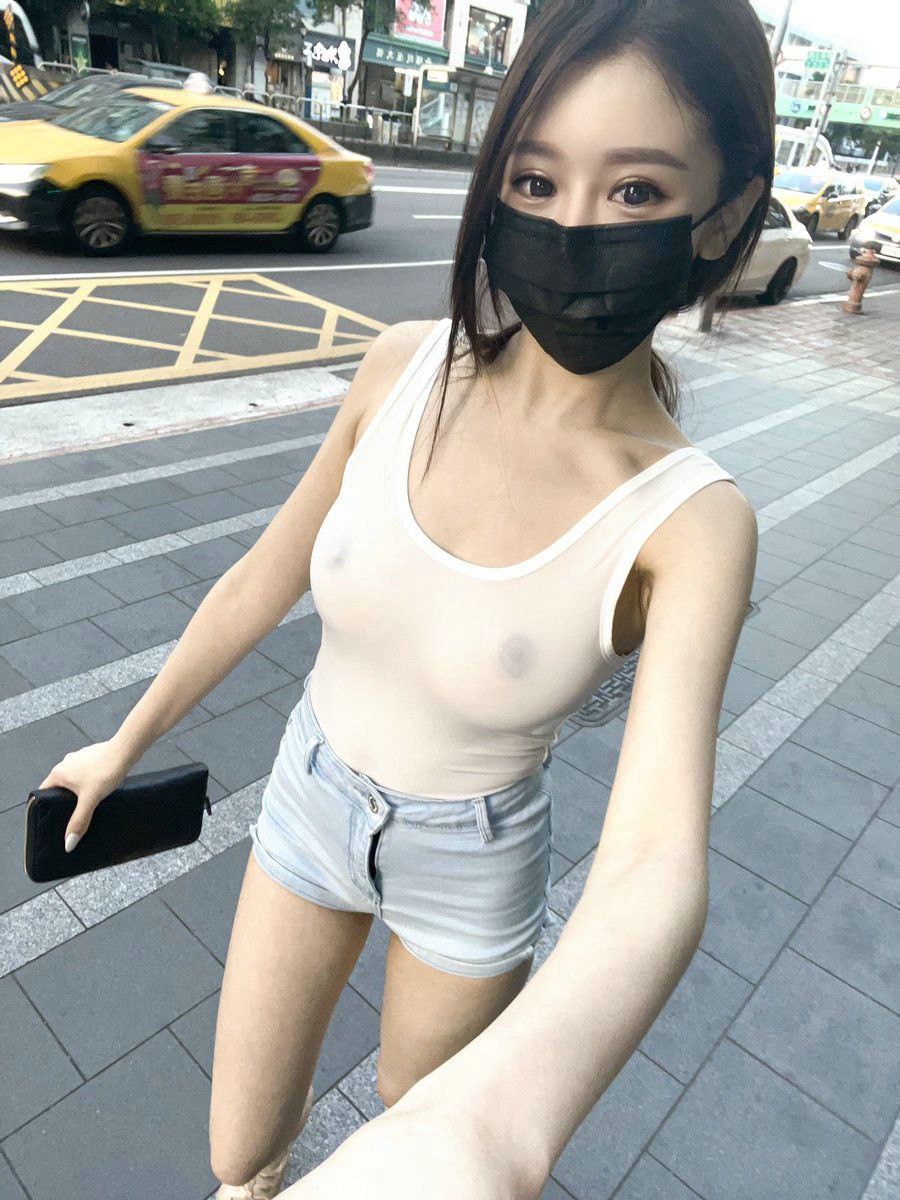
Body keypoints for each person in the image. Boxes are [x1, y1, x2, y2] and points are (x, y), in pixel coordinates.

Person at [37, 1, 773, 1196]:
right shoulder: (400, 368)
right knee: (239, 1154)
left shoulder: (692, 522)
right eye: (534, 179)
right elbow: (263, 573)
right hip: (310, 792)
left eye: (636, 190)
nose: (572, 227)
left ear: (727, 213)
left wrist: (493, 1131)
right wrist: (123, 744)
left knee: (413, 1121)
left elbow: (653, 860)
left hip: (473, 857)